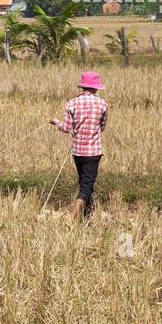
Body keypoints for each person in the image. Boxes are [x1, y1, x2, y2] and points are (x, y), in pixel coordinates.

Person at [51, 71, 108, 217]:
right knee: (87, 185)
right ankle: (74, 217)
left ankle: (85, 214)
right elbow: (102, 127)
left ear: (82, 87)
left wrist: (56, 122)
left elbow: (66, 128)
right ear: (95, 88)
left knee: (84, 182)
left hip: (77, 151)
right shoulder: (102, 104)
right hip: (93, 151)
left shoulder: (71, 103)